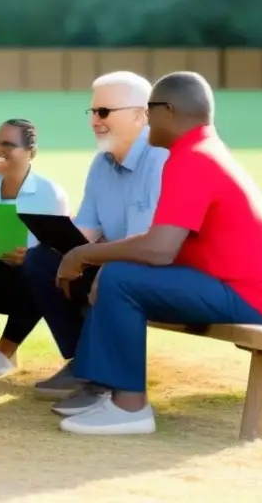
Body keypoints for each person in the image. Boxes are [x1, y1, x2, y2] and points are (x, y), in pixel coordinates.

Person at [52, 71, 262, 434]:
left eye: (150, 109)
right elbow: (164, 244)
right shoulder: (198, 151)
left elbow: (159, 249)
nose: (147, 117)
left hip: (252, 297)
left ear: (169, 111)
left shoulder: (193, 158)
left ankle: (130, 409)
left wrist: (84, 255)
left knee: (120, 278)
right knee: (118, 274)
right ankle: (108, 393)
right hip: (232, 285)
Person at [19, 71, 168, 401]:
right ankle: (82, 362)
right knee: (41, 260)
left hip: (153, 267)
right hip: (115, 260)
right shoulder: (101, 163)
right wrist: (53, 241)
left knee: (114, 273)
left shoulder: (161, 160)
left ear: (140, 114)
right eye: (92, 112)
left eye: (104, 112)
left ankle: (104, 374)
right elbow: (86, 230)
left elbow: (146, 244)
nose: (94, 122)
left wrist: (88, 258)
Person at [0, 119, 69, 378]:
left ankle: (5, 350)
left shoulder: (50, 193)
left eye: (7, 144)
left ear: (31, 152)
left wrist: (27, 258)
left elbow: (60, 253)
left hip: (28, 285)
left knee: (38, 269)